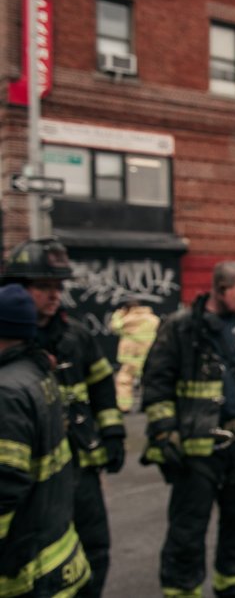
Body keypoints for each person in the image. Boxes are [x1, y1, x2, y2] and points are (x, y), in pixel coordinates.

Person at [142, 261, 235, 598]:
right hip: (196, 446)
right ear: (220, 290)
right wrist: (164, 431)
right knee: (188, 527)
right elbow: (156, 381)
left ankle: (231, 583)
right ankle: (181, 589)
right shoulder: (181, 328)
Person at [2, 239, 123, 598]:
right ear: (17, 288)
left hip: (81, 463)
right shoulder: (11, 343)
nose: (54, 296)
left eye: (58, 288)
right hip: (29, 472)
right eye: (43, 287)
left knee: (93, 546)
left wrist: (113, 433)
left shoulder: (76, 336)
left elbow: (102, 386)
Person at [0, 284, 92, 596]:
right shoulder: (37, 373)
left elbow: (4, 485)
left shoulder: (6, 392)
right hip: (57, 555)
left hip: (27, 574)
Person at [109, 297, 161, 412]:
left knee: (124, 380)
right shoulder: (152, 319)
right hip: (149, 356)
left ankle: (124, 406)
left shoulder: (126, 320)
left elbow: (114, 327)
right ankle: (149, 405)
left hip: (131, 358)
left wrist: (118, 314)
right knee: (149, 381)